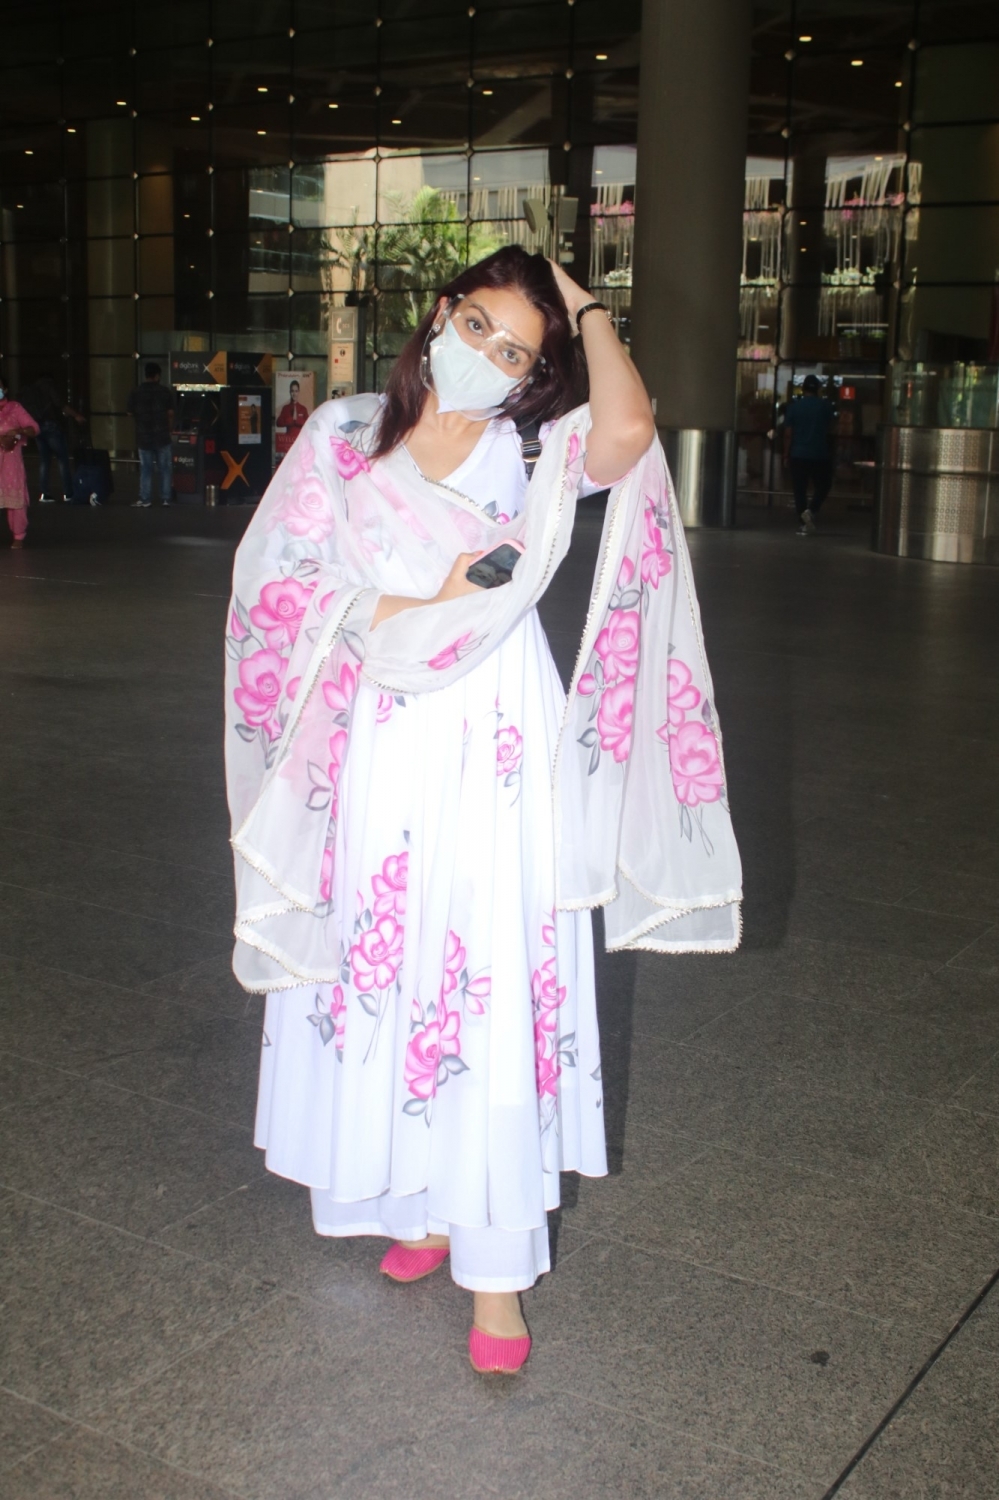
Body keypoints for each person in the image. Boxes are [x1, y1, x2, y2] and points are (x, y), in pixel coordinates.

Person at [225, 248, 742, 1377]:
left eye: (515, 351)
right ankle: (419, 1201)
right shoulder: (348, 435)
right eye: (476, 329)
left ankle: (498, 1274)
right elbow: (279, 582)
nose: (486, 359)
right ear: (440, 316)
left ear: (530, 372)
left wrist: (591, 308)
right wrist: (423, 595)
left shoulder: (530, 448)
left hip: (497, 737)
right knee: (394, 958)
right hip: (380, 737)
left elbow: (629, 434)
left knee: (490, 966)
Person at [781, 373, 837, 535]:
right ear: (818, 390)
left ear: (803, 389)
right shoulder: (825, 407)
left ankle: (803, 520)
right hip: (820, 454)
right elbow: (832, 428)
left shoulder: (794, 407)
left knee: (800, 489)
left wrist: (786, 454)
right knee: (824, 485)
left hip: (798, 454)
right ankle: (811, 510)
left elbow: (788, 434)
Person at [19, 373, 85, 503]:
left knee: (44, 460)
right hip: (51, 425)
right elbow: (60, 404)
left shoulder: (31, 390)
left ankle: (45, 493)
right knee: (62, 459)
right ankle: (68, 493)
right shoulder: (49, 386)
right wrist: (76, 416)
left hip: (37, 426)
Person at [127, 363, 174, 507]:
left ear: (146, 375)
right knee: (165, 468)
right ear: (158, 376)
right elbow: (170, 413)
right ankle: (166, 498)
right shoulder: (165, 392)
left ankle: (145, 498)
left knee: (145, 469)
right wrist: (169, 429)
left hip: (143, 436)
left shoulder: (136, 392)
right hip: (162, 436)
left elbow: (129, 413)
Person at [0, 383, 40, 548]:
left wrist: (19, 431)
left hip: (10, 460)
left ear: (5, 389)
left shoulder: (15, 407)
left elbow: (34, 428)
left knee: (14, 497)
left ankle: (18, 535)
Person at [275, 378, 309, 457]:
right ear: (290, 392)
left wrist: (297, 420)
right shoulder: (285, 408)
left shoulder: (303, 409)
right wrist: (291, 420)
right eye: (292, 391)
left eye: (296, 391)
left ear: (299, 392)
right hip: (288, 445)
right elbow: (278, 423)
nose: (294, 393)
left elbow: (308, 425)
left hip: (300, 443)